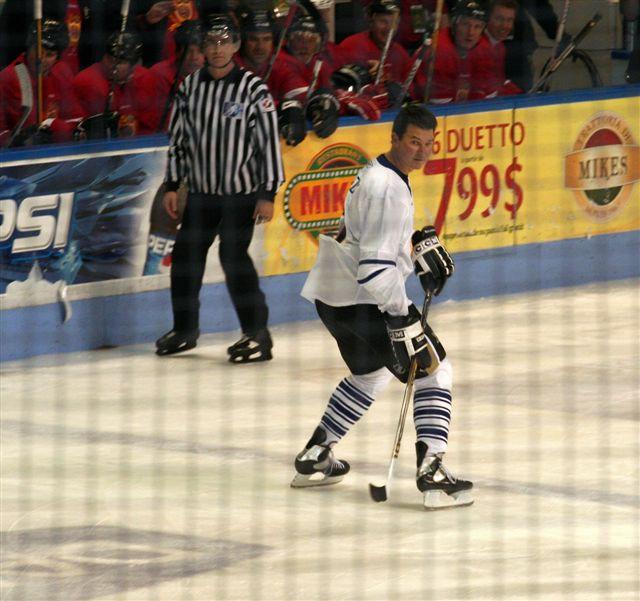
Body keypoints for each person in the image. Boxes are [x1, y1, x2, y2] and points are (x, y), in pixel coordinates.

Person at [291, 103, 473, 510]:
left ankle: (316, 454)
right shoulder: (387, 187)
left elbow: (371, 246)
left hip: (334, 298)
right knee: (434, 369)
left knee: (370, 374)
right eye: (414, 142)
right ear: (394, 139)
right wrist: (400, 313)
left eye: (429, 143)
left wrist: (412, 254)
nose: (422, 151)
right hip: (365, 302)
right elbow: (374, 270)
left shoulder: (380, 174)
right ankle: (432, 470)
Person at [155, 16, 285, 363]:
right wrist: (171, 184)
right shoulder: (189, 87)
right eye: (210, 43)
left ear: (236, 46)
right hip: (199, 194)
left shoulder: (253, 89)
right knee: (185, 260)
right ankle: (184, 330)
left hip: (239, 196)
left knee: (233, 258)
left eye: (223, 43)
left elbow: (267, 144)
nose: (216, 49)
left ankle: (258, 335)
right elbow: (179, 141)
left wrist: (267, 194)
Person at [0, 19, 84, 147]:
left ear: (57, 58)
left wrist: (55, 126)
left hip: (54, 155)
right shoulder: (15, 76)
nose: (41, 59)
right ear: (29, 47)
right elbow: (29, 128)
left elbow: (76, 119)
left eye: (49, 55)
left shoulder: (61, 72)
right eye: (38, 51)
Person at [72, 31, 157, 137]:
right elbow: (77, 130)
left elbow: (150, 128)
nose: (113, 65)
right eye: (109, 58)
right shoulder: (88, 81)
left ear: (134, 66)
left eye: (120, 62)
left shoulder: (145, 79)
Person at [413, 0, 491, 103]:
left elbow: (483, 93)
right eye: (465, 24)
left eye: (477, 26)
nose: (471, 32)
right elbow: (442, 106)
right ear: (454, 24)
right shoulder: (439, 50)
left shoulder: (484, 48)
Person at [145, 19, 205, 132]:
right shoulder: (158, 74)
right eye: (188, 51)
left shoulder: (212, 75)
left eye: (200, 51)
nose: (194, 57)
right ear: (178, 52)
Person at [504, 0, 572, 92]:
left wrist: (558, 35)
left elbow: (538, 6)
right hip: (505, 47)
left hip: (515, 49)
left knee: (517, 91)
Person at [482, 0, 523, 97]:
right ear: (487, 18)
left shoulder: (500, 47)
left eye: (509, 20)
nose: (504, 25)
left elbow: (500, 82)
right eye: (499, 19)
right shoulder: (477, 47)